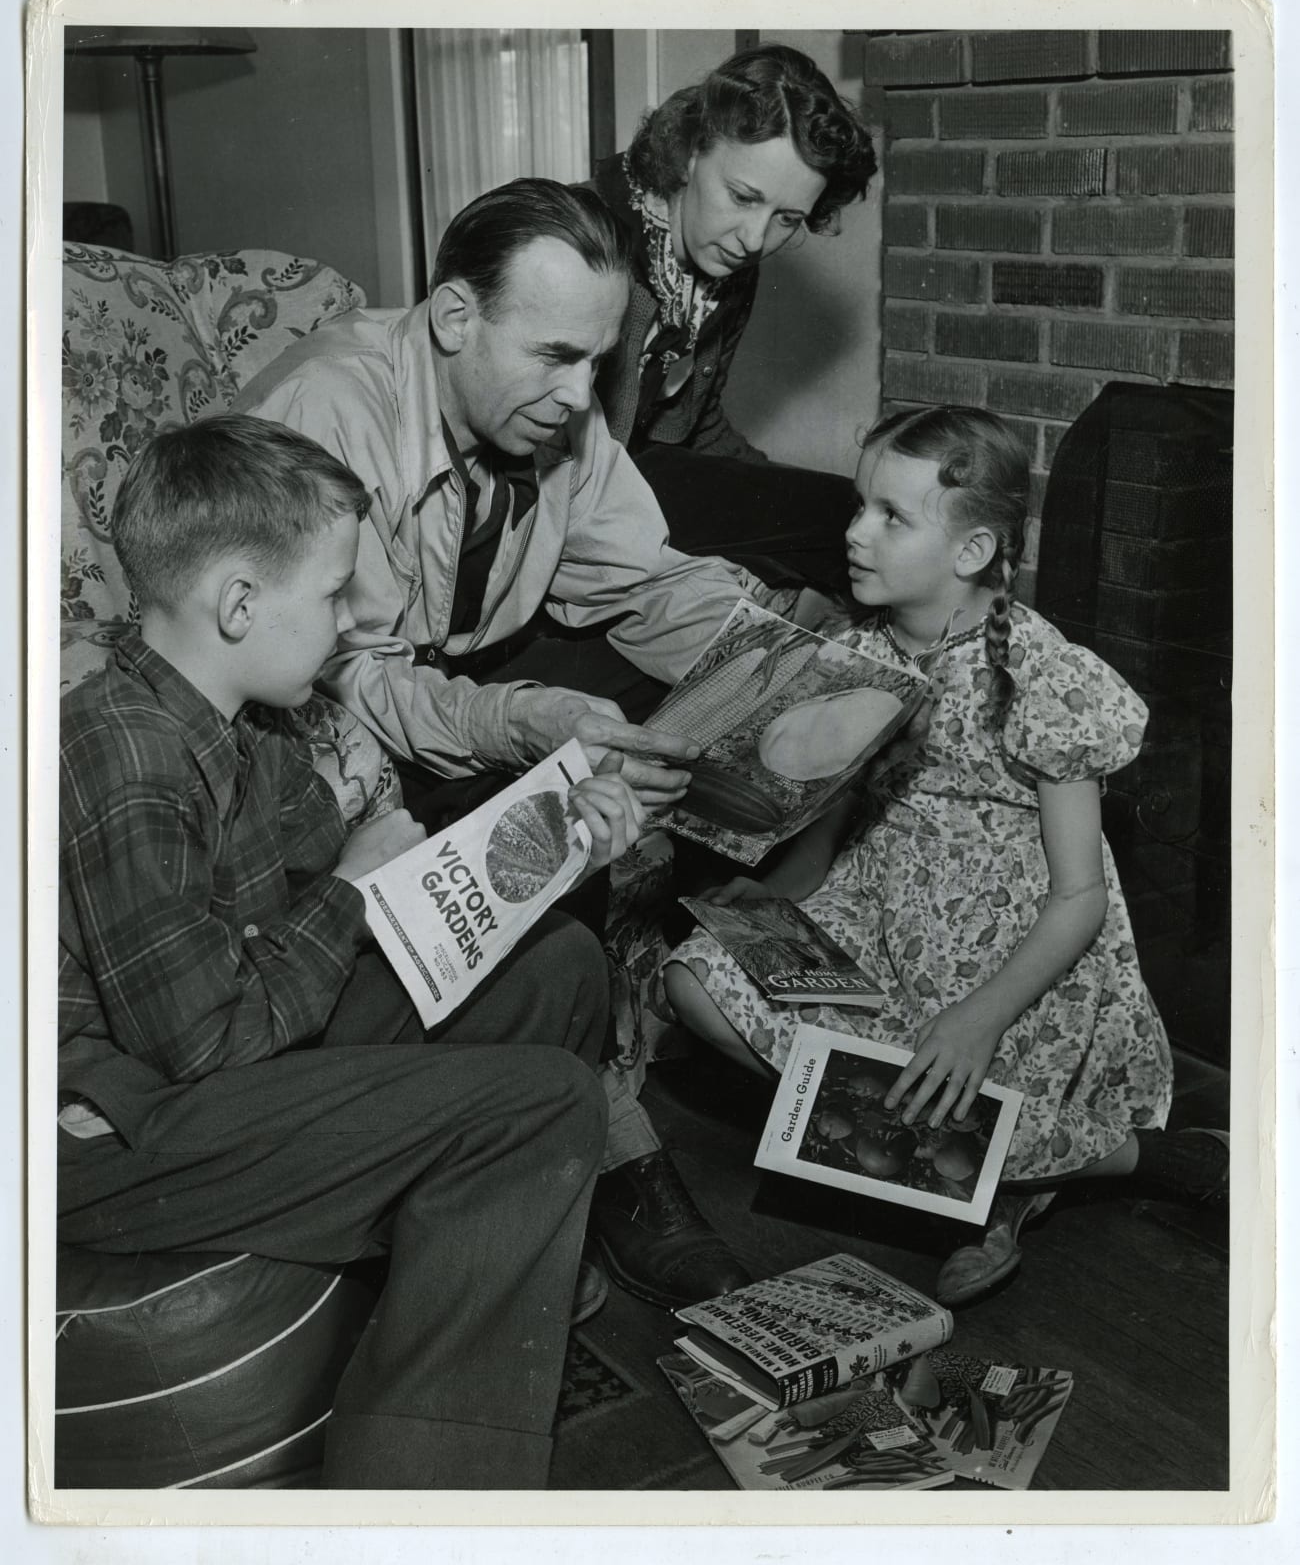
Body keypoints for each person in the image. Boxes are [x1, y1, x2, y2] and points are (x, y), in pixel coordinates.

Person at [57, 415, 650, 1489]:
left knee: (559, 960)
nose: (352, 620)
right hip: (106, 1123)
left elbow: (371, 884)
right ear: (239, 603)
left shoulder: (235, 723)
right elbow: (209, 1042)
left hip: (205, 1049)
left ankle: (444, 1299)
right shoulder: (122, 752)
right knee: (546, 1101)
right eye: (332, 594)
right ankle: (418, 1506)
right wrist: (346, 885)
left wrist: (558, 828)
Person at [233, 178, 759, 1308]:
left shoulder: (554, 405)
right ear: (455, 318)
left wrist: (783, 649)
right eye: (557, 356)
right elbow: (337, 673)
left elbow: (639, 578)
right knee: (550, 814)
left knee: (623, 749)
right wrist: (519, 723)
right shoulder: (334, 407)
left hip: (446, 682)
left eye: (597, 362)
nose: (580, 397)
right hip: (310, 711)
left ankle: (554, 1152)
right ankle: (607, 1162)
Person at [662, 405, 1229, 1306]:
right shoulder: (857, 653)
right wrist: (769, 898)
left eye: (892, 516)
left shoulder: (1042, 676)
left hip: (1011, 945)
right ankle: (977, 1174)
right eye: (859, 507)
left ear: (971, 553)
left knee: (957, 1071)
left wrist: (981, 1017)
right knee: (692, 979)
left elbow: (1081, 895)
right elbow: (829, 820)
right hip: (876, 901)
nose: (854, 533)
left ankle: (1128, 1162)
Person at [587, 44, 877, 594]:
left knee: (851, 517)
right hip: (568, 500)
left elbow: (700, 424)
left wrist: (773, 484)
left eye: (787, 218)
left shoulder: (724, 268)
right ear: (691, 152)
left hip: (643, 477)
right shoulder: (587, 236)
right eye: (743, 196)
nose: (754, 240)